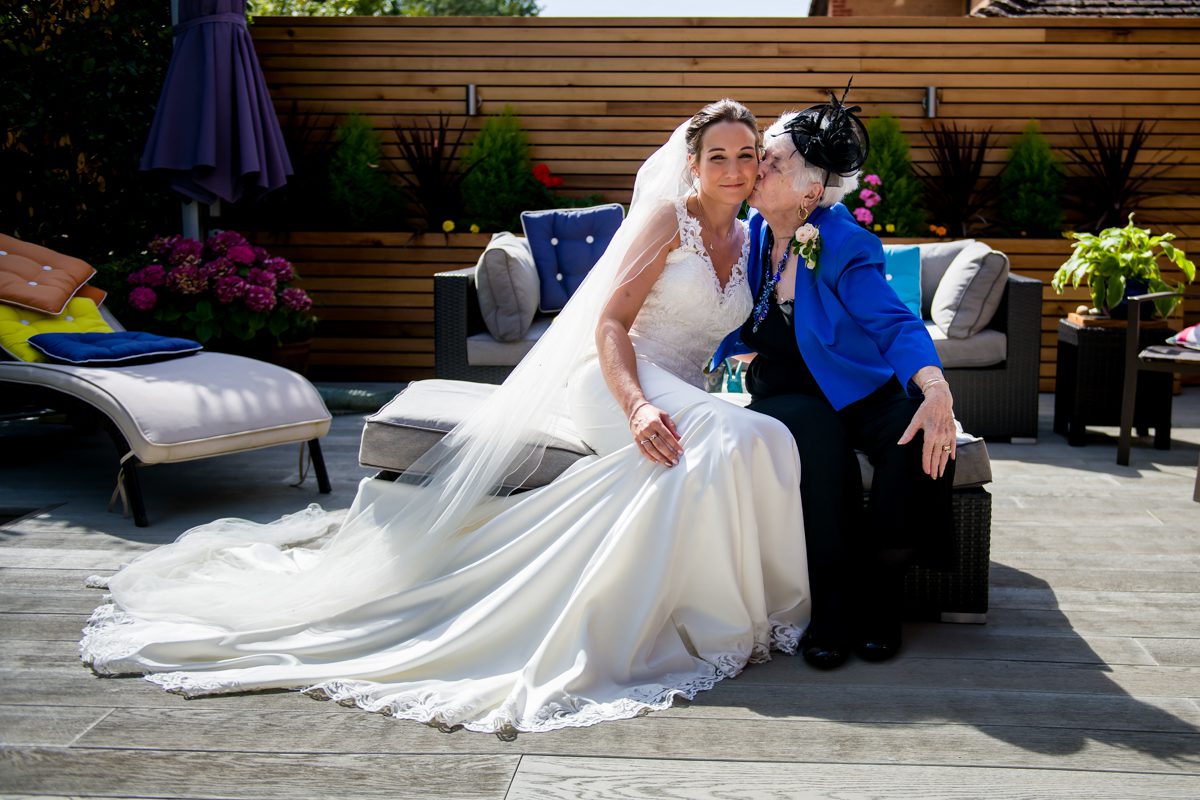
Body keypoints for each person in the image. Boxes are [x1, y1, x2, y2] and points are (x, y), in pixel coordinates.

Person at [80, 100, 812, 735]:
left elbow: (734, 328)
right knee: (749, 434)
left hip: (684, 389)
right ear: (692, 164)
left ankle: (738, 614)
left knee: (749, 435)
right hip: (619, 383)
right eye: (719, 154)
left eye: (747, 155)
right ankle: (728, 622)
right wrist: (639, 403)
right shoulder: (664, 221)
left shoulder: (749, 241)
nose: (734, 167)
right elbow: (612, 325)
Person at [712, 87, 958, 670]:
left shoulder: (840, 240)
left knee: (911, 434)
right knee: (821, 451)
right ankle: (832, 610)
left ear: (811, 194)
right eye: (759, 157)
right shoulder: (749, 233)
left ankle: (882, 597)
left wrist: (935, 388)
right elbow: (722, 308)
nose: (756, 168)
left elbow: (894, 321)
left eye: (769, 162)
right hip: (789, 390)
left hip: (857, 385)